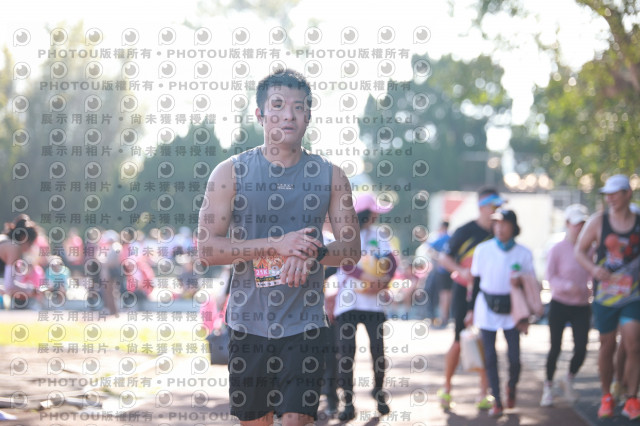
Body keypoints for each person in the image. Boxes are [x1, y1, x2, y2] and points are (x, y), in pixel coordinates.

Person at [197, 69, 361, 426]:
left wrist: (313, 252)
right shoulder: (230, 173)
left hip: (306, 325)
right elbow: (207, 249)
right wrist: (276, 246)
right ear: (260, 114)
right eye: (278, 105)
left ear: (309, 115)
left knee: (296, 420)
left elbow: (351, 249)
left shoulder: (331, 176)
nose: (289, 115)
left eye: (299, 107)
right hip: (249, 326)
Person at [575, 174, 640, 420]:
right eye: (607, 194)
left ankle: (632, 398)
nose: (610, 198)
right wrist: (594, 270)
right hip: (605, 297)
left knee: (634, 343)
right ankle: (607, 395)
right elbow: (579, 251)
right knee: (607, 345)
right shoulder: (598, 221)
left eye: (615, 193)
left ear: (627, 193)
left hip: (633, 294)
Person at [331, 192, 398, 421]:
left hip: (374, 304)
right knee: (346, 353)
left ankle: (379, 392)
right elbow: (345, 263)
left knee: (378, 350)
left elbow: (392, 261)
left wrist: (383, 282)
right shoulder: (345, 235)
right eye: (373, 213)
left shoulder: (379, 234)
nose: (376, 217)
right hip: (347, 303)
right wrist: (369, 280)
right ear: (364, 215)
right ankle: (348, 402)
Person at [437, 188, 504, 410]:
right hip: (463, 290)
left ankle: (484, 393)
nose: (496, 210)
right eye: (493, 205)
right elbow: (444, 258)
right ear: (482, 206)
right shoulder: (465, 230)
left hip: (487, 293)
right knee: (459, 340)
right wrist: (462, 271)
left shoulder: (500, 231)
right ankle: (447, 389)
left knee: (487, 341)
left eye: (499, 206)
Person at [467, 209, 534, 417]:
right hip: (486, 306)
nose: (499, 228)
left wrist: (527, 312)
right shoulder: (483, 250)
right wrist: (470, 310)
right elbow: (476, 281)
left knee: (514, 358)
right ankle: (497, 399)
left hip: (512, 308)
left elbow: (530, 285)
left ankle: (511, 386)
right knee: (490, 356)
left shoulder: (524, 253)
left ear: (513, 227)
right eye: (496, 223)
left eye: (504, 223)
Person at [540, 204, 592, 407]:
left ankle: (568, 378)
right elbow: (550, 276)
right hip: (559, 304)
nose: (579, 228)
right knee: (555, 347)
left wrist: (590, 287)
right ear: (568, 224)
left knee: (581, 348)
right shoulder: (557, 248)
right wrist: (567, 286)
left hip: (581, 305)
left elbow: (592, 272)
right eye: (576, 223)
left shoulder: (590, 248)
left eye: (582, 224)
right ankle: (548, 386)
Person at [0, 215, 39, 307]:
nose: (30, 248)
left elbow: (7, 286)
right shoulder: (14, 248)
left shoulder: (4, 240)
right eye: (31, 244)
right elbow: (9, 286)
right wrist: (30, 289)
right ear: (23, 238)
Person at [425, 220, 452, 326]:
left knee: (443, 294)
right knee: (448, 294)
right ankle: (445, 316)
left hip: (442, 270)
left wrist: (438, 258)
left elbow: (428, 248)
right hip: (452, 270)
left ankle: (443, 317)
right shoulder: (451, 238)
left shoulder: (440, 238)